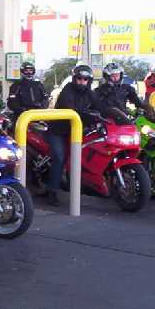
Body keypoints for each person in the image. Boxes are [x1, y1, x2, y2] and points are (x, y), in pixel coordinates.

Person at [46, 64, 103, 207]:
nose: (82, 81)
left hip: (77, 131)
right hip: (58, 131)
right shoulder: (67, 90)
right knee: (60, 158)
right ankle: (52, 191)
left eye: (85, 79)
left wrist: (113, 115)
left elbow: (100, 106)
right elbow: (71, 108)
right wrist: (90, 115)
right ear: (74, 79)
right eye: (79, 78)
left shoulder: (89, 92)